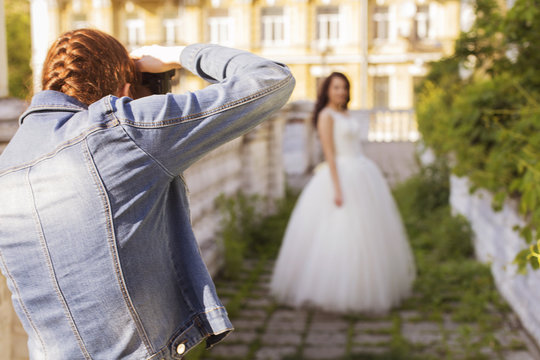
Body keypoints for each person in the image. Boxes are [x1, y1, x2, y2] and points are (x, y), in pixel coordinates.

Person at [0, 29, 294, 359]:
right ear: (126, 85)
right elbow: (270, 79)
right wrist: (177, 53)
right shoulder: (120, 130)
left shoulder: (6, 167)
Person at [270, 72, 415, 313]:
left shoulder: (345, 114)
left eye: (344, 87)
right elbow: (329, 154)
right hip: (339, 174)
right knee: (339, 230)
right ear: (327, 90)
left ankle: (365, 284)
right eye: (336, 87)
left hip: (362, 170)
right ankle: (332, 288)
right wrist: (337, 188)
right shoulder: (326, 116)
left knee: (368, 233)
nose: (341, 92)